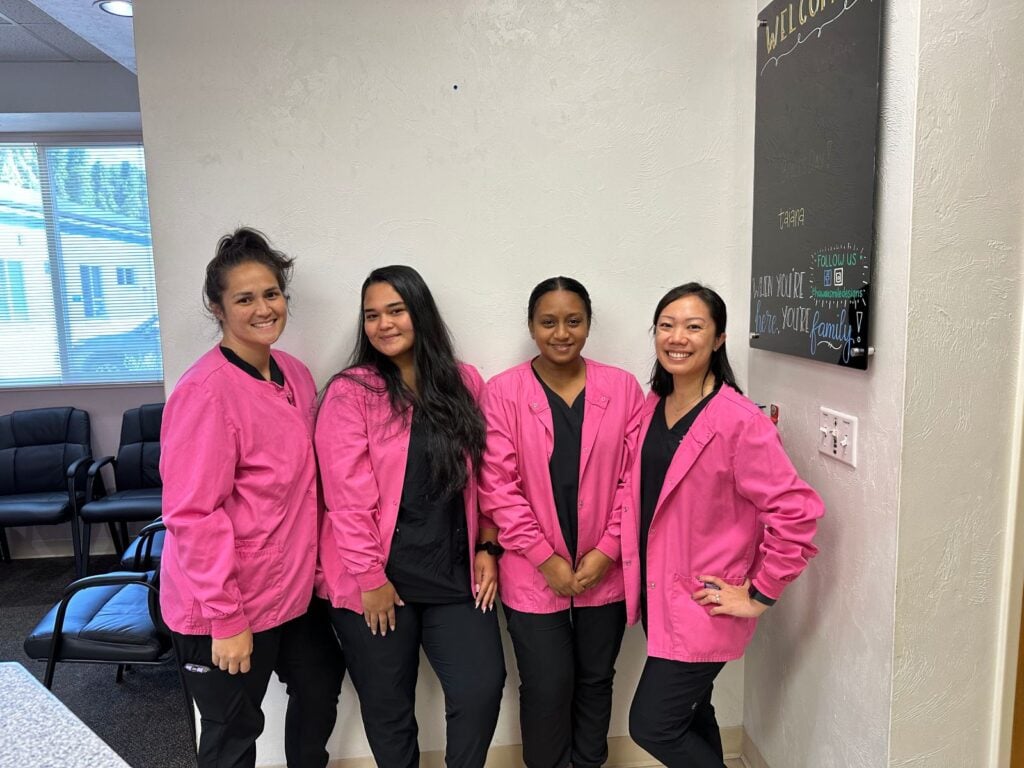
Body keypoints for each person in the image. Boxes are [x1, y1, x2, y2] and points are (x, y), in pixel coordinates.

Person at [159, 228, 344, 768]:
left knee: (320, 682)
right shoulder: (205, 393)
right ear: (217, 308)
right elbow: (192, 514)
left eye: (271, 294)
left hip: (288, 591)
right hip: (224, 600)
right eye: (244, 299)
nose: (263, 308)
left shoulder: (296, 376)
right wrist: (226, 619)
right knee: (233, 731)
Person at [623, 283, 823, 768]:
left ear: (718, 339)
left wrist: (758, 594)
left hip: (701, 603)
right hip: (658, 594)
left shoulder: (739, 421)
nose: (678, 337)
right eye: (667, 326)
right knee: (692, 714)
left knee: (652, 726)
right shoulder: (653, 405)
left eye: (694, 327)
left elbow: (796, 511)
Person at [315, 264, 506, 768]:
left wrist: (489, 544)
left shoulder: (464, 381)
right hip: (378, 582)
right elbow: (346, 499)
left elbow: (488, 476)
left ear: (420, 312)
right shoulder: (352, 391)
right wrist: (370, 579)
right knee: (388, 706)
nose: (384, 324)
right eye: (372, 315)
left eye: (395, 310)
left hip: (452, 572)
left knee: (481, 686)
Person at [479, 276, 643, 768]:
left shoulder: (622, 388)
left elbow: (634, 481)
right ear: (531, 326)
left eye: (573, 321)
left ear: (589, 325)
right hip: (532, 570)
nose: (561, 332)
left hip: (604, 566)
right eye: (548, 322)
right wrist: (543, 557)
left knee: (595, 677)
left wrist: (608, 549)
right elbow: (497, 487)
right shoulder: (503, 392)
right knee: (548, 683)